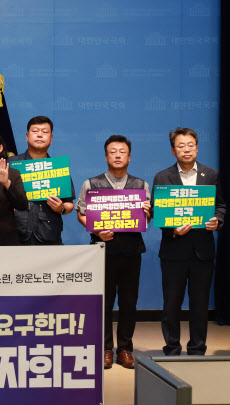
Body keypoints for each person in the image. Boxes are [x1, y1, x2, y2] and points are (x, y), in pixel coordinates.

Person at [76, 135, 151, 369]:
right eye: (113, 152)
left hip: (131, 250)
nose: (117, 155)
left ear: (129, 156)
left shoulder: (141, 185)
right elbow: (81, 213)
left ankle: (125, 349)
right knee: (104, 302)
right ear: (106, 156)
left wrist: (147, 213)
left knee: (129, 302)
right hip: (102, 251)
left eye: (122, 152)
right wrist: (96, 230)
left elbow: (147, 218)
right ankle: (106, 348)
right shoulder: (91, 184)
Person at [153, 127, 226, 356]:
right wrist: (172, 228)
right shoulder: (162, 177)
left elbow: (220, 206)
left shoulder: (211, 175)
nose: (186, 149)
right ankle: (172, 348)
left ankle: (197, 349)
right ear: (173, 150)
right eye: (181, 146)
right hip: (173, 250)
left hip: (202, 252)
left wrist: (217, 221)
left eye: (191, 145)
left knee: (200, 305)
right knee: (171, 305)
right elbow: (158, 212)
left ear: (197, 147)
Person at [8, 116, 75, 244]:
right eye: (35, 131)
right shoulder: (11, 164)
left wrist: (61, 208)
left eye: (44, 132)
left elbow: (69, 204)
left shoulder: (58, 167)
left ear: (51, 138)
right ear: (27, 136)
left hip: (49, 235)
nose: (39, 135)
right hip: (15, 235)